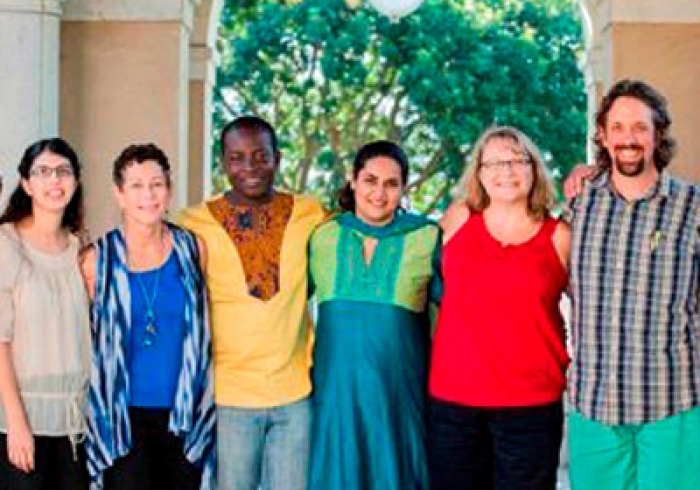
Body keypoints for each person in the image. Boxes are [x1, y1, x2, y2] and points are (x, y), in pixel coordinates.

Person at [566, 79, 700, 490]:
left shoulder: (693, 208)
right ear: (602, 137)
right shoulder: (578, 204)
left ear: (658, 135)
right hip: (593, 408)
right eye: (618, 127)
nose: (629, 138)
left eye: (640, 127)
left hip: (672, 403)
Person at [179, 116, 325, 490]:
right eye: (238, 158)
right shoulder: (193, 223)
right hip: (229, 396)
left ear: (277, 158)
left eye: (260, 156)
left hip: (294, 395)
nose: (250, 168)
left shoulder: (311, 214)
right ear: (224, 163)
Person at [428, 126, 570, 490]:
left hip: (531, 406)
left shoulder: (560, 236)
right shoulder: (458, 219)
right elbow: (413, 272)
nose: (505, 171)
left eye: (516, 160)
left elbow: (594, 309)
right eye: (493, 162)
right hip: (454, 402)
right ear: (478, 174)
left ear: (533, 168)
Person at [307, 141, 441, 490]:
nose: (379, 193)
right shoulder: (323, 236)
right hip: (336, 398)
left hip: (398, 397)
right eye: (370, 180)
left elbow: (455, 314)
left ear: (404, 188)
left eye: (391, 184)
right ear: (352, 181)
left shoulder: (426, 236)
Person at [81, 144, 215, 489]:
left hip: (184, 416)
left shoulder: (192, 249)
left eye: (156, 184)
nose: (148, 195)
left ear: (168, 190)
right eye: (136, 186)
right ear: (120, 195)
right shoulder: (97, 260)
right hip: (122, 418)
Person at [0, 138, 90, 489]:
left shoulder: (80, 249)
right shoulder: (7, 244)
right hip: (21, 424)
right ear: (26, 184)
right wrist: (17, 422)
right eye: (43, 172)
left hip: (75, 427)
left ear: (76, 181)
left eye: (64, 171)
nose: (55, 181)